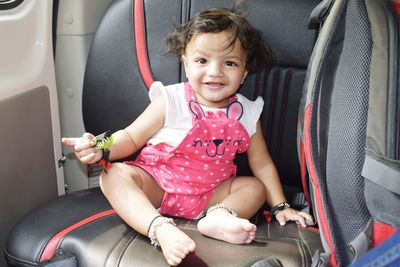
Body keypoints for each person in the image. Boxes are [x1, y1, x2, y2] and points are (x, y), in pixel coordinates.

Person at [62, 7, 313, 266]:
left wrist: (281, 206)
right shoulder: (170, 99)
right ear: (185, 61)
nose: (215, 71)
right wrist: (100, 144)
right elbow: (130, 135)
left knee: (254, 187)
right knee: (112, 175)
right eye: (202, 61)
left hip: (210, 193)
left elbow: (261, 163)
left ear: (245, 72)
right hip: (158, 185)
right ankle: (159, 228)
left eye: (229, 63)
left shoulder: (247, 113)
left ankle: (221, 217)